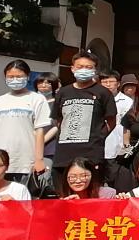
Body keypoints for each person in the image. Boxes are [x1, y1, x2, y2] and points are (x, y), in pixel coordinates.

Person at [49, 50, 117, 189]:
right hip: (64, 154)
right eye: (80, 67)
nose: (83, 70)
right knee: (63, 193)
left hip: (91, 153)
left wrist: (99, 136)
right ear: (72, 68)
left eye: (88, 67)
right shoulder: (63, 92)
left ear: (95, 70)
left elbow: (111, 121)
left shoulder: (103, 93)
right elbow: (58, 120)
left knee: (91, 192)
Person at [0, 60, 51, 184]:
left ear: (28, 76)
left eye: (19, 76)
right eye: (10, 77)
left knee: (23, 194)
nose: (15, 79)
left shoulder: (37, 99)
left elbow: (39, 131)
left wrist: (39, 159)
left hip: (25, 161)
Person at [100, 69, 135, 193]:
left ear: (118, 84)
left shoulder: (127, 102)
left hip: (117, 149)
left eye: (111, 81)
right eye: (104, 82)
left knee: (119, 185)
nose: (108, 84)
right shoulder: (96, 99)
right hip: (98, 147)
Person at [35, 72, 60, 169]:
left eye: (48, 83)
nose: (44, 85)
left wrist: (42, 140)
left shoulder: (57, 103)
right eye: (41, 82)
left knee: (44, 174)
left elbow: (57, 125)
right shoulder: (32, 102)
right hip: (30, 144)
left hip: (49, 147)